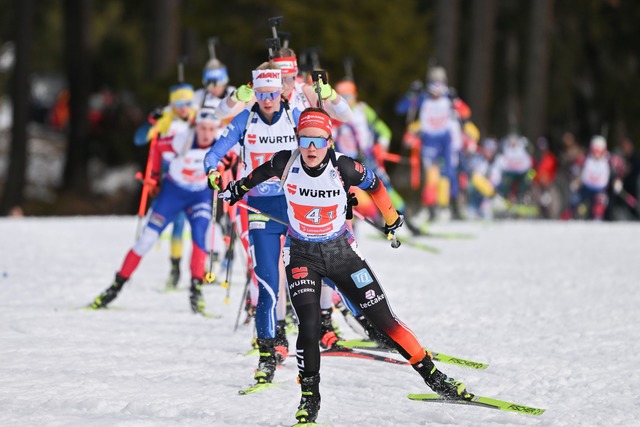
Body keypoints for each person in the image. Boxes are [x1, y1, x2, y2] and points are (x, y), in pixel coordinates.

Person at [219, 108, 473, 424]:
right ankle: (309, 398)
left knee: (385, 320)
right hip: (301, 255)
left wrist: (392, 220)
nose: (311, 148)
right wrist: (236, 189)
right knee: (309, 327)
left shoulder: (344, 166)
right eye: (305, 140)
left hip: (341, 253)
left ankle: (435, 378)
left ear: (329, 141)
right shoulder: (286, 161)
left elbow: (377, 185)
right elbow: (258, 174)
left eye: (318, 141)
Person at [205, 61, 334, 385]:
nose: (267, 99)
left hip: (293, 208)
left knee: (320, 272)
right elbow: (213, 154)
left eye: (272, 92)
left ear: (281, 90)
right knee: (267, 285)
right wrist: (213, 172)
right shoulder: (244, 120)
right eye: (261, 93)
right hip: (260, 210)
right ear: (255, 92)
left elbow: (322, 144)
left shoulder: (294, 116)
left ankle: (338, 325)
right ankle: (267, 353)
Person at [89, 108, 219, 313]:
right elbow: (157, 147)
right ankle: (115, 287)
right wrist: (155, 177)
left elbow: (235, 160)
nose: (206, 134)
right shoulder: (183, 139)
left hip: (199, 195)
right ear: (196, 127)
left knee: (199, 238)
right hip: (173, 193)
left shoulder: (221, 142)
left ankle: (196, 291)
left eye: (211, 129)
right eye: (202, 128)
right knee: (146, 240)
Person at [134, 83, 197, 290]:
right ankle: (176, 267)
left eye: (187, 103)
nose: (183, 108)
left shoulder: (198, 118)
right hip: (171, 178)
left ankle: (203, 268)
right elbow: (139, 139)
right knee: (177, 223)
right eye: (179, 103)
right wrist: (151, 122)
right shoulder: (167, 119)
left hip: (196, 178)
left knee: (202, 226)